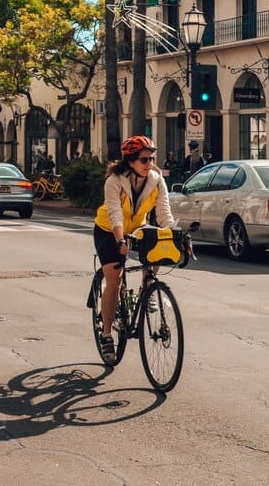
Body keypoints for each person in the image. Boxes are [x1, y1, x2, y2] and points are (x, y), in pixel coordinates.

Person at [93, 135, 177, 365]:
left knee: (160, 242)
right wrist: (120, 240)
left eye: (151, 158)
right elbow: (114, 213)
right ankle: (107, 334)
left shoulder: (157, 180)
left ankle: (149, 286)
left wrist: (173, 233)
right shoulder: (114, 181)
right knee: (114, 279)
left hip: (137, 227)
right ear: (130, 160)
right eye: (143, 159)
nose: (149, 163)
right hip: (109, 230)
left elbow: (164, 213)